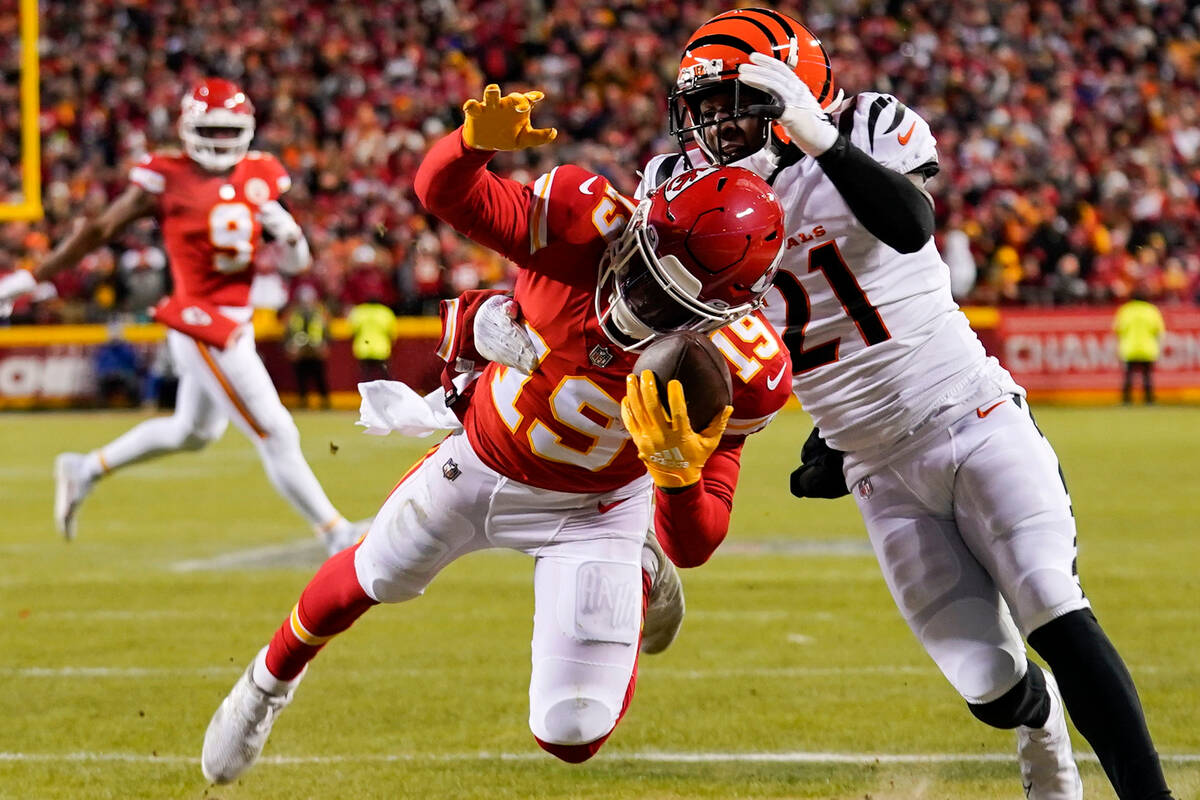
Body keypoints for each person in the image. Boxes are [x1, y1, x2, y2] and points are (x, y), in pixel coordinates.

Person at [635, 9, 1175, 800]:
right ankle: (1039, 719)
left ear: (790, 86)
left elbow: (911, 224)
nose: (715, 124)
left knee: (1051, 602)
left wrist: (817, 135)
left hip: (970, 412)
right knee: (989, 685)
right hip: (875, 464)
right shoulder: (671, 190)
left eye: (732, 101)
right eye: (704, 107)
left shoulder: (868, 123)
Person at [198, 84, 793, 784]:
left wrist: (677, 474)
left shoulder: (744, 371)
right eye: (643, 273)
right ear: (641, 225)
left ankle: (635, 563)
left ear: (727, 312)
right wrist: (470, 144)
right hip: (482, 460)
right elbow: (445, 193)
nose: (638, 300)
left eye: (671, 302)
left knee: (571, 731)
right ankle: (264, 688)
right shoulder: (582, 219)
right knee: (371, 576)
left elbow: (696, 543)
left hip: (596, 511)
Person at [0, 78, 366, 555]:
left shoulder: (261, 175)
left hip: (238, 318)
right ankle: (335, 533)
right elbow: (99, 229)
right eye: (209, 130)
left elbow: (297, 265)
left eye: (226, 130)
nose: (218, 141)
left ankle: (83, 467)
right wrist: (33, 278)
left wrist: (292, 235)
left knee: (192, 433)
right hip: (203, 322)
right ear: (188, 128)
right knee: (276, 430)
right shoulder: (166, 174)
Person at [282, 284, 331, 409]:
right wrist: (289, 346)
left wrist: (325, 345)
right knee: (301, 378)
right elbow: (288, 332)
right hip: (300, 352)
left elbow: (326, 331)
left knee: (319, 377)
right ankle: (303, 401)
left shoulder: (320, 313)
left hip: (315, 351)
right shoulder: (293, 314)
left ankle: (325, 402)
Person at [1114, 288, 1166, 405]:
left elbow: (1118, 329)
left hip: (1129, 348)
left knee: (1128, 376)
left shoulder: (1125, 310)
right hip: (1147, 348)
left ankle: (1127, 400)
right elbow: (1159, 331)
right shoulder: (1151, 310)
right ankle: (1149, 400)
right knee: (1147, 376)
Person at [347, 294, 398, 382]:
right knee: (384, 374)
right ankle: (387, 393)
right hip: (381, 349)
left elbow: (352, 332)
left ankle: (366, 394)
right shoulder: (385, 312)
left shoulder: (359, 312)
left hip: (363, 349)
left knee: (366, 375)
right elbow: (392, 334)